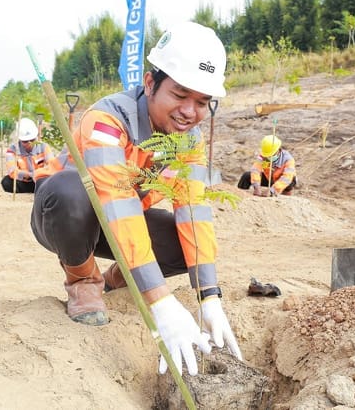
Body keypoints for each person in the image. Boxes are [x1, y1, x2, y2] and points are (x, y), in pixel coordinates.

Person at [30, 21, 242, 376]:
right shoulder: (108, 120)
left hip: (124, 221)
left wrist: (210, 295)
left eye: (203, 102)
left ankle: (118, 279)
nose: (191, 112)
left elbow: (194, 210)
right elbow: (116, 202)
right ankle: (83, 280)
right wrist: (159, 301)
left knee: (180, 241)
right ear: (149, 83)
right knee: (71, 195)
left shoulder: (188, 139)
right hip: (67, 215)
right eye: (180, 95)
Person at [1, 117, 55, 194]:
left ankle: (40, 189)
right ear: (20, 139)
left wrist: (39, 174)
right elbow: (12, 171)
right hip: (23, 181)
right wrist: (30, 175)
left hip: (40, 180)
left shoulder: (44, 147)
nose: (29, 143)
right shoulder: (12, 150)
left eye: (32, 140)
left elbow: (52, 165)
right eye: (25, 141)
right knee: (6, 182)